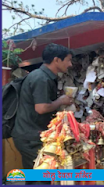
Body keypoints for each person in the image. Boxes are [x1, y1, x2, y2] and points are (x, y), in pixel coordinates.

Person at [12, 43, 74, 175]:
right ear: (56, 60)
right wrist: (61, 101)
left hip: (29, 134)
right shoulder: (41, 78)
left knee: (34, 176)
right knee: (40, 177)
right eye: (68, 60)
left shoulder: (43, 76)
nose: (70, 64)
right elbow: (41, 108)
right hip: (31, 137)